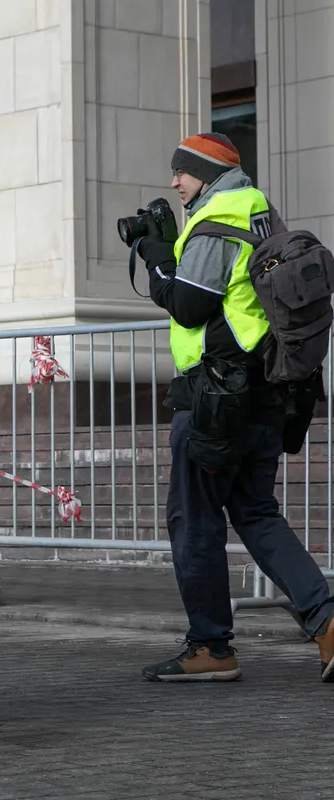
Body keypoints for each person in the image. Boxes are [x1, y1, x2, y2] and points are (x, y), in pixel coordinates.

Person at [136, 132, 334, 682]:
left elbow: (189, 305)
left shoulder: (216, 219)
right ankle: (328, 623)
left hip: (215, 399)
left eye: (182, 172)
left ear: (205, 172)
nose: (174, 182)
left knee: (195, 520)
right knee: (255, 511)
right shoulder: (262, 211)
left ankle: (211, 647)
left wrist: (156, 259)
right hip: (266, 390)